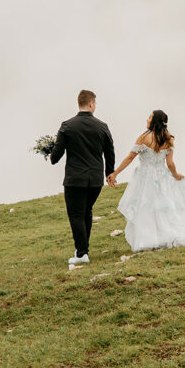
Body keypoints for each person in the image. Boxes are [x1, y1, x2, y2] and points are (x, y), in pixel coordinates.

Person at [107, 110, 185, 252]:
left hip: (145, 177)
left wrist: (115, 173)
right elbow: (170, 164)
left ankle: (149, 239)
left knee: (146, 208)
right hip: (162, 177)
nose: (147, 119)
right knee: (163, 207)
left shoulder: (144, 137)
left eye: (149, 117)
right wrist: (176, 175)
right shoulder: (168, 139)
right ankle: (167, 234)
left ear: (154, 121)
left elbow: (130, 157)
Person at [50, 90, 115, 265]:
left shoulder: (67, 126)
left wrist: (51, 150)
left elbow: (55, 157)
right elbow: (110, 152)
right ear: (91, 104)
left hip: (75, 179)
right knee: (87, 212)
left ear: (79, 103)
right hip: (95, 180)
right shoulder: (103, 126)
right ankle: (83, 249)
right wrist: (110, 173)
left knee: (77, 215)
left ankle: (81, 254)